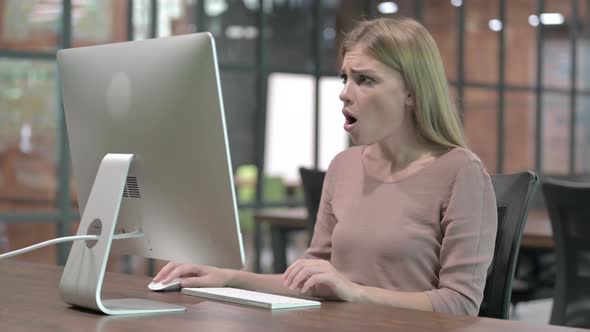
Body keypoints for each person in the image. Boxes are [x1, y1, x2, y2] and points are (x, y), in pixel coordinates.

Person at [153, 17, 497, 317]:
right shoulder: (343, 167)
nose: (344, 93)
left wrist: (354, 292)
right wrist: (228, 277)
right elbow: (309, 281)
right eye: (345, 77)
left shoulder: (461, 172)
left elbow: (460, 304)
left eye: (365, 80)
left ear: (411, 92)